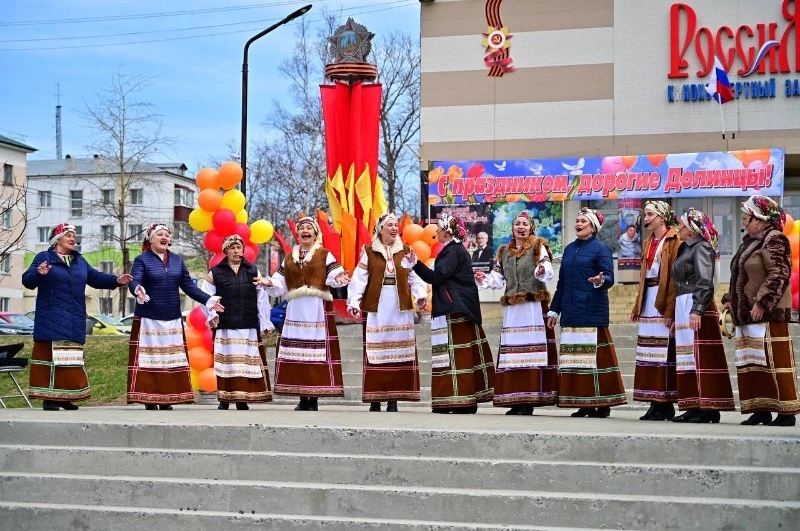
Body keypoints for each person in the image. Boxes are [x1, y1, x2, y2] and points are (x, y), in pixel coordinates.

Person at [22, 222, 132, 411]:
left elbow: (96, 278)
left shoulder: (79, 260)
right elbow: (27, 280)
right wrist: (39, 274)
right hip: (51, 318)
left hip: (74, 317)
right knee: (51, 359)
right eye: (69, 235)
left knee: (70, 358)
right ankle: (49, 398)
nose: (73, 239)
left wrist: (116, 281)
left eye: (74, 236)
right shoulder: (45, 257)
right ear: (57, 239)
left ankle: (65, 397)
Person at [256, 216, 350, 411]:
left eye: (309, 228)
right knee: (298, 354)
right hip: (295, 309)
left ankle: (313, 398)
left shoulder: (324, 254)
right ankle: (302, 397)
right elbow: (280, 281)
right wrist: (268, 282)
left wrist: (338, 277)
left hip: (316, 308)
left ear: (316, 233)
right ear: (297, 234)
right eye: (302, 228)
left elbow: (333, 274)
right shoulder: (290, 257)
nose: (305, 231)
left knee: (315, 353)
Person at [127, 223, 223, 410]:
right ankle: (150, 398)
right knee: (152, 359)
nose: (164, 238)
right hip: (149, 318)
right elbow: (135, 280)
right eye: (159, 234)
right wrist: (137, 289)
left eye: (167, 235)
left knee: (170, 359)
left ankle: (168, 398)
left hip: (171, 317)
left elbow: (189, 287)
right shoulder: (142, 260)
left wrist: (209, 300)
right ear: (150, 239)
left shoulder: (177, 261)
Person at [723, 196, 799, 427]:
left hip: (767, 314)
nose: (744, 222)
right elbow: (739, 274)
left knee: (774, 363)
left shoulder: (774, 239)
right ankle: (761, 409)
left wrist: (761, 303)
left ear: (760, 219)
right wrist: (729, 300)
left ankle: (785, 412)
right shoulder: (749, 241)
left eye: (747, 218)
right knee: (752, 364)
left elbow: (779, 274)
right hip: (746, 313)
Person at [411, 213, 495, 413]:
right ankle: (453, 399)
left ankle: (461, 401)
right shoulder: (455, 250)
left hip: (455, 309)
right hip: (455, 307)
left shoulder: (453, 251)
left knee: (456, 357)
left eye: (439, 228)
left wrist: (414, 262)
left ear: (447, 232)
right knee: (449, 357)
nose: (437, 232)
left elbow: (436, 277)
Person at [547, 207, 626, 418]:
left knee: (595, 360)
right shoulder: (570, 249)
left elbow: (609, 276)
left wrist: (601, 280)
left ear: (593, 226)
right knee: (577, 361)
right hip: (572, 313)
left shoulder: (601, 249)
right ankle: (585, 402)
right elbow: (562, 283)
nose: (578, 224)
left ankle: (603, 403)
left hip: (591, 312)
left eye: (583, 221)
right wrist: (554, 310)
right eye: (577, 220)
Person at [476, 212, 556, 415]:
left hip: (532, 307)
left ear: (531, 228)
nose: (521, 227)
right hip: (513, 310)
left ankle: (529, 400)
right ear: (512, 228)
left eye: (525, 224)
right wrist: (483, 278)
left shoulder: (539, 245)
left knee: (530, 352)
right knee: (513, 354)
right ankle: (515, 398)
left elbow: (547, 267)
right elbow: (497, 278)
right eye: (518, 224)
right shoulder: (504, 252)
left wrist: (541, 271)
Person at [346, 213, 428, 412]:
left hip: (400, 307)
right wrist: (355, 301)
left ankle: (394, 399)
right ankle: (376, 399)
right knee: (377, 352)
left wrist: (420, 295)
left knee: (398, 352)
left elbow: (414, 277)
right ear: (380, 229)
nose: (394, 228)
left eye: (396, 225)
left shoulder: (406, 251)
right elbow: (359, 279)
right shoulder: (369, 251)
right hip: (378, 306)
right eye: (389, 225)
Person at [671, 208, 734, 423]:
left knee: (700, 357)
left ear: (691, 230)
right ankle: (693, 404)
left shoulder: (701, 248)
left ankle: (709, 407)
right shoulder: (685, 248)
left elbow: (705, 281)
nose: (678, 227)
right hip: (684, 303)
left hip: (697, 304)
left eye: (681, 225)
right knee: (687, 357)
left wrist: (697, 309)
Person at [202, 235, 273, 410]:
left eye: (239, 248)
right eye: (232, 248)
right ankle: (224, 399)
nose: (236, 251)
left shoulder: (252, 270)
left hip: (247, 324)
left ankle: (242, 399)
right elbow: (205, 296)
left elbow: (261, 298)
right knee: (226, 363)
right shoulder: (216, 272)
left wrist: (264, 321)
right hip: (225, 325)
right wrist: (211, 315)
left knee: (244, 363)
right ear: (226, 251)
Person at [630, 201, 681, 421]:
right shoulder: (649, 241)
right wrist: (636, 306)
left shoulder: (674, 240)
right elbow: (643, 278)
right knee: (649, 354)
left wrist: (670, 311)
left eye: (650, 214)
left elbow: (674, 279)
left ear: (662, 217)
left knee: (664, 353)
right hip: (648, 300)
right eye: (645, 215)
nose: (646, 218)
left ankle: (665, 402)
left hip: (662, 301)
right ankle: (653, 402)